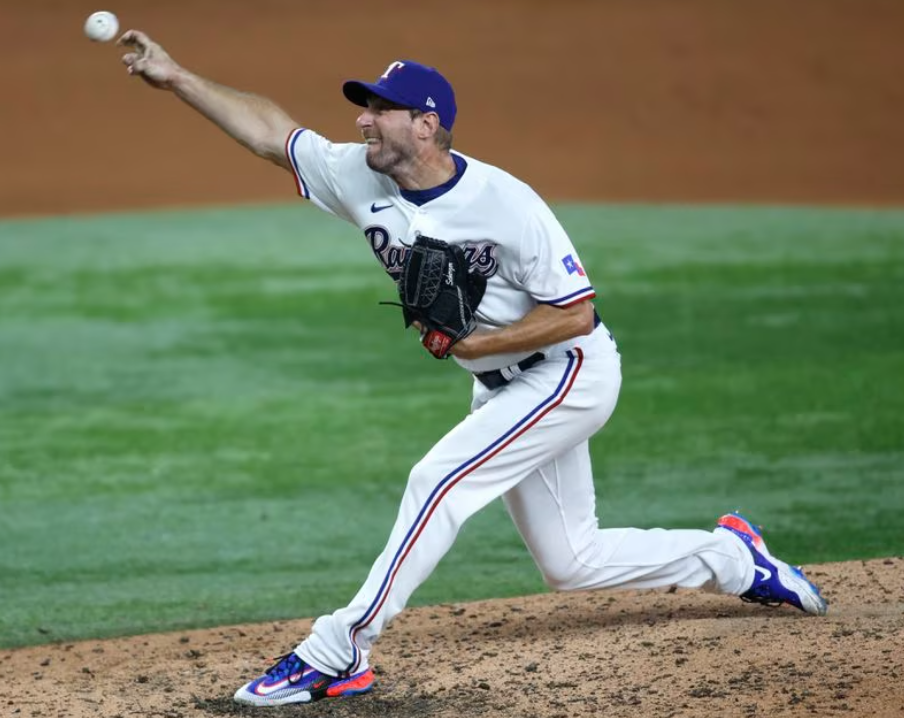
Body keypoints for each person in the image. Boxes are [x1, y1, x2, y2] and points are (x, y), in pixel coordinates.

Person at [115, 31, 828, 707]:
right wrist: (177, 78)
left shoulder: (507, 205)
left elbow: (577, 313)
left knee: (439, 479)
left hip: (569, 373)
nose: (364, 122)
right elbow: (274, 133)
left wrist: (476, 346)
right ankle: (735, 560)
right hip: (508, 384)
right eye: (364, 107)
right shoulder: (358, 177)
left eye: (380, 110)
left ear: (426, 125)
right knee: (570, 562)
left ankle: (340, 651)